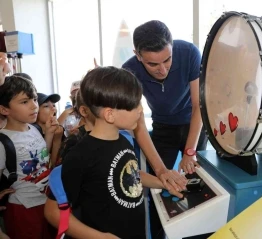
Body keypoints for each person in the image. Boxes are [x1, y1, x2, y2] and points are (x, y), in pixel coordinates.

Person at [44, 66, 183, 239]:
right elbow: (52, 212)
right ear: (109, 114)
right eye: (133, 106)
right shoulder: (81, 155)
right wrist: (99, 237)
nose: (140, 111)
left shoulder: (124, 140)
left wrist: (163, 183)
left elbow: (129, 174)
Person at [122, 20, 208, 238]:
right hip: (162, 127)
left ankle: (199, 231)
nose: (163, 69)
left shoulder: (189, 52)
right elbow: (138, 123)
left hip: (193, 124)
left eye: (167, 59)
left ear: (172, 47)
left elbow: (199, 105)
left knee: (199, 181)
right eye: (153, 64)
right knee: (159, 186)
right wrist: (160, 170)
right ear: (138, 55)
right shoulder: (129, 71)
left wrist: (190, 151)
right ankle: (160, 233)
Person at [0, 75, 59, 239]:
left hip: (45, 202)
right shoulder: (3, 140)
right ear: (4, 109)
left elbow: (41, 157)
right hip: (22, 208)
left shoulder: (33, 129)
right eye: (25, 102)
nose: (34, 106)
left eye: (34, 99)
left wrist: (48, 135)